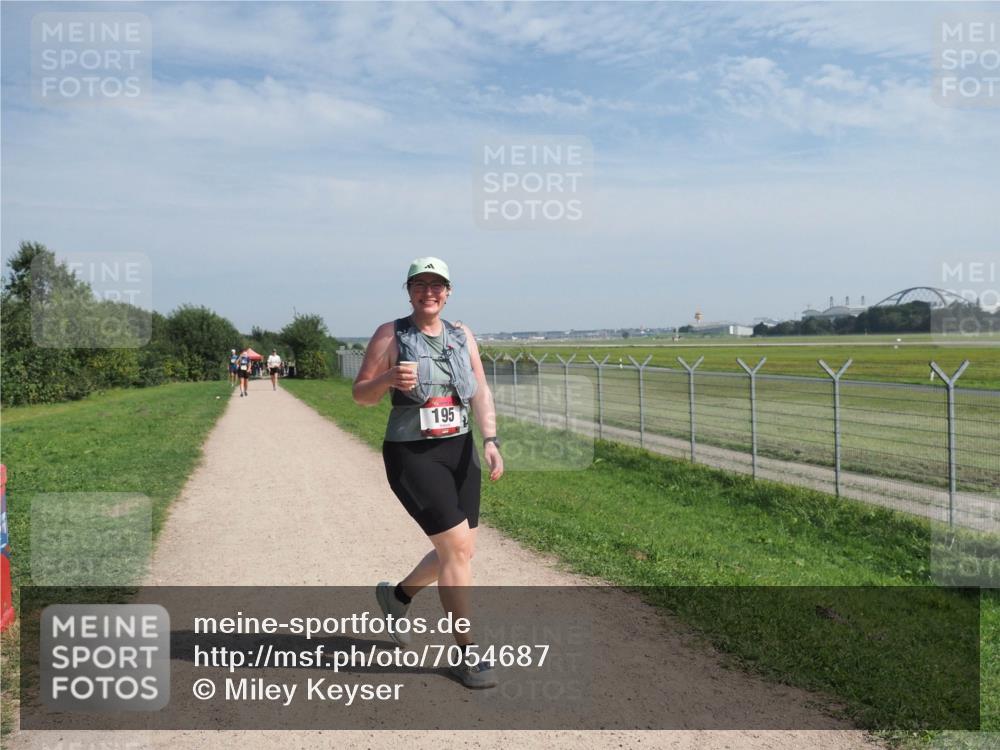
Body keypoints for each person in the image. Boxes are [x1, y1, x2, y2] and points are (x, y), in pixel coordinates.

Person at [352, 257, 503, 689]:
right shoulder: (390, 334)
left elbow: (480, 390)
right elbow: (361, 395)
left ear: (448, 292)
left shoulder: (462, 335)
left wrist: (490, 441)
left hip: (460, 449)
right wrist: (385, 380)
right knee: (455, 549)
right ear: (409, 291)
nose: (429, 292)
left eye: (437, 286)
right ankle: (467, 652)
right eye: (420, 285)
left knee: (459, 552)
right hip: (412, 453)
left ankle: (397, 596)